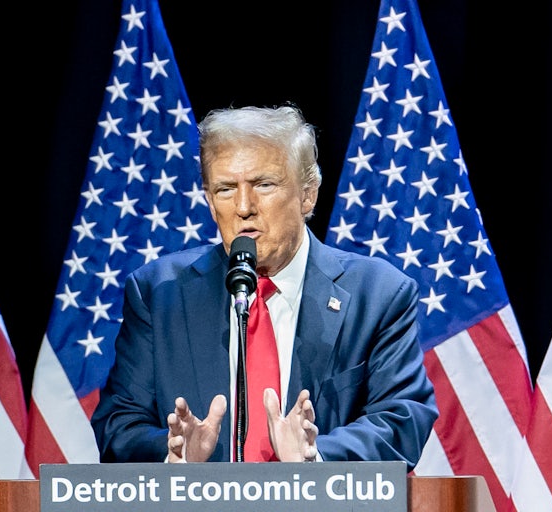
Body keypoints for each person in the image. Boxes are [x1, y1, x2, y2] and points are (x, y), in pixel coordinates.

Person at [90, 104, 438, 467]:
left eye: (263, 184)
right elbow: (119, 425)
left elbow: (401, 417)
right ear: (209, 202)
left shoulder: (378, 294)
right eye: (225, 189)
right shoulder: (158, 293)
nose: (243, 207)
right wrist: (173, 451)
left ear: (308, 194)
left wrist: (315, 458)